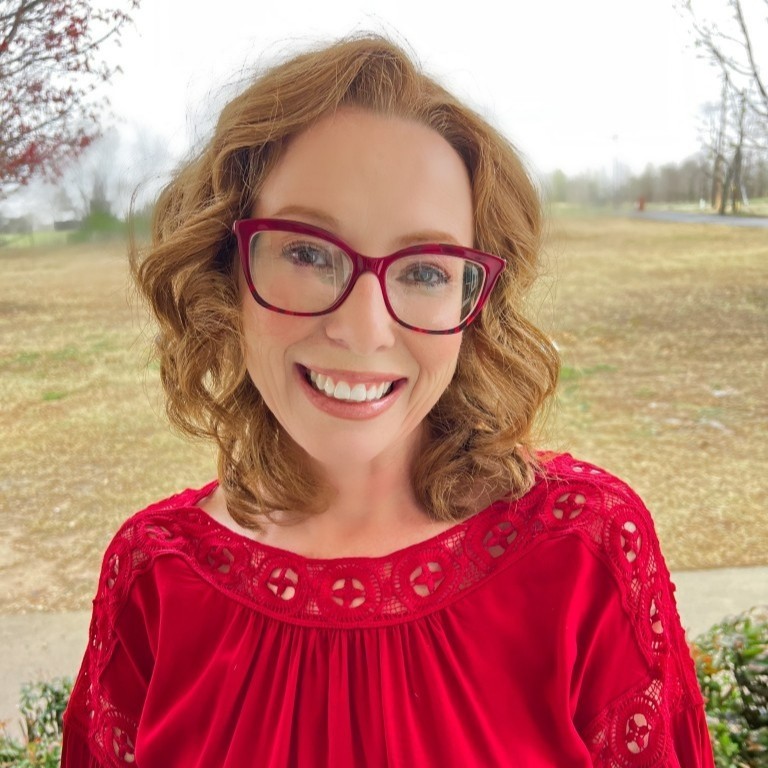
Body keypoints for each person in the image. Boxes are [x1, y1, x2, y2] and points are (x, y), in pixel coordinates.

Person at [61, 35, 715, 767]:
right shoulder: (153, 578)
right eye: (307, 252)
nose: (364, 329)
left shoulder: (584, 552)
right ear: (227, 271)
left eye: (426, 270)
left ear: (474, 303)